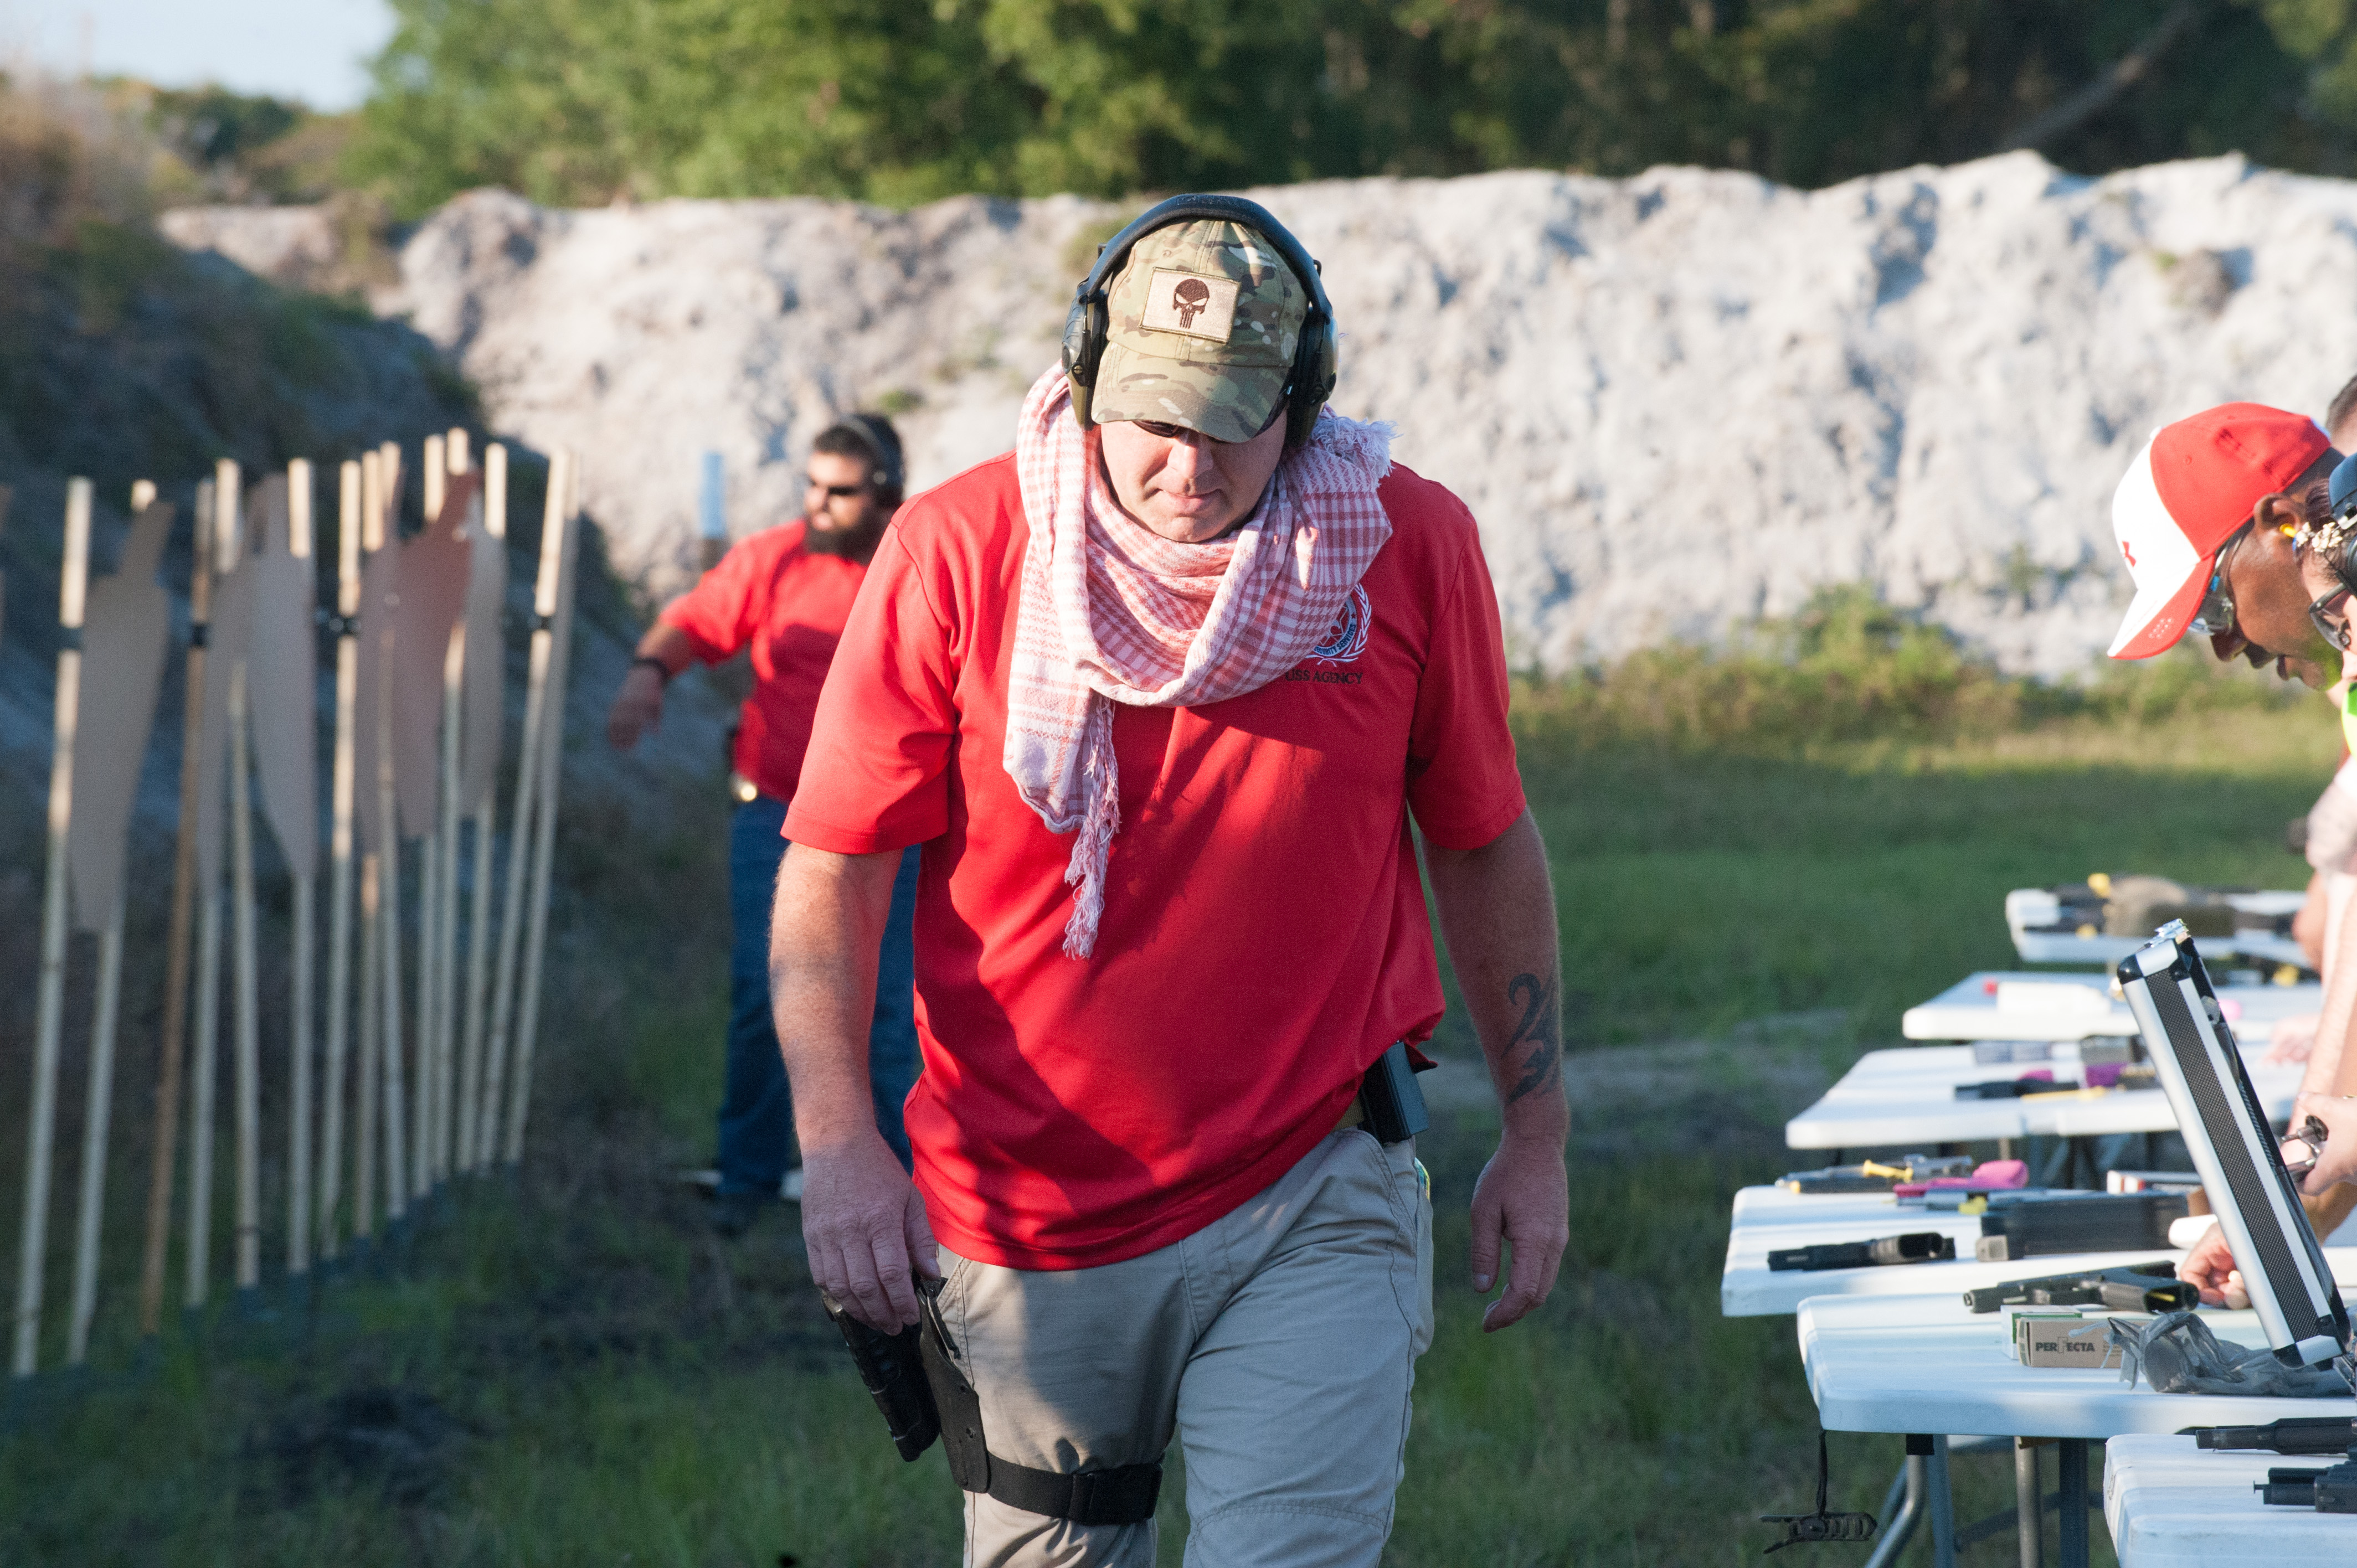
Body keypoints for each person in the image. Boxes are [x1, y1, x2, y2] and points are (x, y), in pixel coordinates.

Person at [769, 195, 1569, 1566]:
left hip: (1313, 1188)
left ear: (1302, 405)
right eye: (1151, 419)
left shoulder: (1403, 543)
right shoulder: (957, 550)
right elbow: (836, 863)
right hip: (1024, 1217)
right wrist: (839, 1145)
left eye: (1230, 421)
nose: (1186, 464)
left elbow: (1483, 835)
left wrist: (1536, 1135)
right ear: (1088, 380)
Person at [606, 416, 923, 1237]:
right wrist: (647, 673)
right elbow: (697, 619)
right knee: (765, 994)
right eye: (811, 485)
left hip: (891, 824)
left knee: (889, 1014)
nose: (818, 504)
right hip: (778, 815)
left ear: (884, 492)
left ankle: (900, 1201)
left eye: (839, 491)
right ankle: (746, 1183)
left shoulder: (919, 563)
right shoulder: (775, 559)